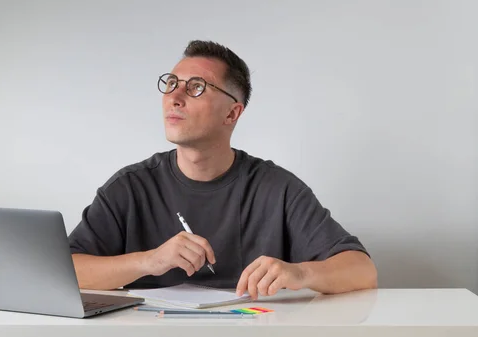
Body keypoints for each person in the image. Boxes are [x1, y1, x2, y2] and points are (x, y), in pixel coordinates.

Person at [68, 40, 377, 299]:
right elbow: (67, 269)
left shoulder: (276, 189)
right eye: (172, 84)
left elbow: (362, 271)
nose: (174, 97)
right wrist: (149, 261)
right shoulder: (130, 187)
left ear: (232, 113)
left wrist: (300, 272)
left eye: (196, 87)